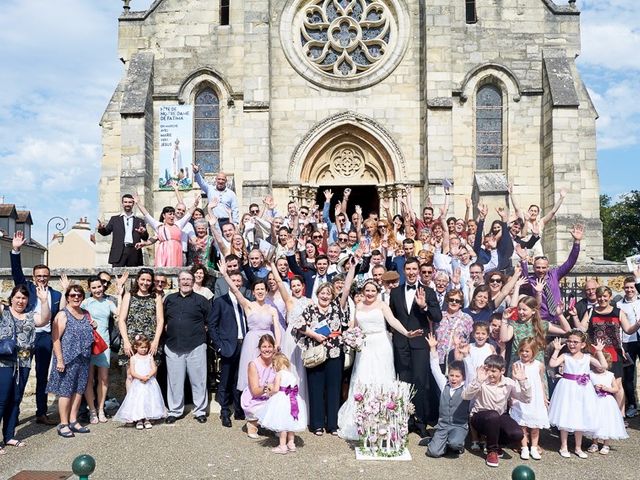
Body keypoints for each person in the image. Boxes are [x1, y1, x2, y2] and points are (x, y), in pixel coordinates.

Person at [337, 279, 422, 440]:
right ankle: (361, 419)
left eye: (372, 291)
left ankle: (383, 418)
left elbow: (393, 321)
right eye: (367, 291)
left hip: (381, 344)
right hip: (365, 346)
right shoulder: (359, 306)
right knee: (363, 378)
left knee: (381, 377)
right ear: (363, 292)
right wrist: (348, 336)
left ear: (377, 292)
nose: (369, 294)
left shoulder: (382, 305)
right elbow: (355, 326)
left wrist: (407, 333)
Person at [293, 259, 355, 436]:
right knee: (316, 388)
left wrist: (352, 268)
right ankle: (317, 424)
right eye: (323, 293)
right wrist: (314, 335)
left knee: (334, 389)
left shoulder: (337, 308)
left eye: (329, 293)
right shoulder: (310, 309)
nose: (326, 296)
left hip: (335, 353)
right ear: (318, 294)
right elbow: (297, 325)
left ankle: (332, 425)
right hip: (316, 353)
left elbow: (347, 288)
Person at [10, 230, 62, 425]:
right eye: (39, 275)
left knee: (42, 376)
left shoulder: (56, 295)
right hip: (26, 338)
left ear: (49, 277)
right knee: (20, 376)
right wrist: (15, 250)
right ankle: (13, 415)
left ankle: (41, 412)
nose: (42, 278)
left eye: (45, 276)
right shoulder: (27, 290)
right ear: (34, 277)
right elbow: (16, 273)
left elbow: (60, 317)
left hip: (45, 339)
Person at [388, 257, 441, 436]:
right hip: (401, 344)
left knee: (420, 382)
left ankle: (420, 422)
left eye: (414, 269)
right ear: (404, 271)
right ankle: (404, 421)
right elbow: (392, 319)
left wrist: (424, 306)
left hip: (420, 345)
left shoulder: (428, 291)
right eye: (408, 269)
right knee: (403, 383)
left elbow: (437, 316)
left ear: (419, 271)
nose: (411, 272)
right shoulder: (395, 293)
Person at [217, 259, 281, 392]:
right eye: (257, 289)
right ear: (253, 292)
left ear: (266, 290)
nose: (260, 291)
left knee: (267, 372)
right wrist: (225, 275)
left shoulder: (272, 309)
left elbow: (277, 329)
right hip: (252, 342)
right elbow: (235, 290)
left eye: (262, 289)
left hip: (268, 341)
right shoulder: (248, 305)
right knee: (252, 372)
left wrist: (277, 344)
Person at [576, 285, 640, 415]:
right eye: (599, 296)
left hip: (614, 353)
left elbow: (628, 330)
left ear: (610, 297)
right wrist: (574, 317)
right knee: (594, 383)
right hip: (596, 353)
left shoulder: (618, 312)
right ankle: (596, 414)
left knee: (617, 384)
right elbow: (582, 328)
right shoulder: (591, 311)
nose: (602, 299)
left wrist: (638, 324)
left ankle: (620, 415)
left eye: (605, 296)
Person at [0, 285, 50, 451]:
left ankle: (9, 436)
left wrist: (43, 301)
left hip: (23, 363)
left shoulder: (30, 316)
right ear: (11, 298)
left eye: (24, 298)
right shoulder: (3, 312)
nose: (20, 301)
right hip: (4, 362)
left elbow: (44, 320)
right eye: (17, 297)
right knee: (1, 400)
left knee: (15, 399)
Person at [462, 355, 531, 467]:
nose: (490, 374)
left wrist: (523, 381)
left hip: (498, 416)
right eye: (488, 370)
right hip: (479, 417)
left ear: (502, 371)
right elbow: (465, 396)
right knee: (493, 416)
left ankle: (496, 443)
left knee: (517, 434)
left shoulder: (508, 383)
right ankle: (492, 451)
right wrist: (478, 381)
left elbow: (526, 399)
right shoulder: (482, 380)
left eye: (493, 371)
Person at [548, 330, 607, 458]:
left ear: (583, 344)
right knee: (565, 413)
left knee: (580, 415)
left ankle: (578, 447)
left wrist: (600, 352)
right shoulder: (566, 356)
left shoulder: (587, 358)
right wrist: (557, 350)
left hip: (583, 390)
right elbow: (552, 364)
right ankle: (563, 446)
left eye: (575, 342)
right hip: (567, 388)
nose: (572, 344)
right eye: (569, 341)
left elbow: (603, 366)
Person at [163, 271, 212, 424]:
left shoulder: (202, 300)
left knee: (199, 380)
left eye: (188, 279)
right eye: (183, 279)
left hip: (196, 345)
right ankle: (175, 411)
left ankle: (200, 411)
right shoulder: (169, 300)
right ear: (178, 281)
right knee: (175, 381)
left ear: (193, 282)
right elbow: (162, 321)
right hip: (173, 345)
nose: (185, 282)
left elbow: (209, 321)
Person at [47, 285, 95, 438]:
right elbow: (55, 339)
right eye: (73, 295)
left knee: (79, 390)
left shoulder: (86, 313)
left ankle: (73, 420)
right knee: (65, 391)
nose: (76, 297)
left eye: (79, 295)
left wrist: (94, 325)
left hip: (83, 358)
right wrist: (60, 360)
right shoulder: (62, 315)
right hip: (67, 359)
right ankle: (64, 423)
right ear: (67, 297)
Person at [517, 223, 584, 323]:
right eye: (538, 267)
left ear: (548, 267)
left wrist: (577, 242)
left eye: (543, 267)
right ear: (534, 268)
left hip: (557, 318)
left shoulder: (555, 274)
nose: (541, 270)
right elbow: (524, 277)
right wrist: (523, 261)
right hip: (540, 320)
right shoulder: (531, 280)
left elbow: (570, 262)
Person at [208, 270, 249, 427]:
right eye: (234, 280)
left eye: (239, 281)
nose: (237, 283)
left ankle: (239, 410)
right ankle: (224, 412)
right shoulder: (220, 301)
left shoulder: (245, 301)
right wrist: (219, 346)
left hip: (244, 345)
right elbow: (212, 325)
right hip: (228, 346)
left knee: (240, 379)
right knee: (225, 380)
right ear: (228, 282)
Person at [424, 333, 469, 458]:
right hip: (443, 426)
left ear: (463, 377)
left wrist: (465, 355)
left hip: (459, 426)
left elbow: (470, 373)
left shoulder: (466, 387)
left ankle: (457, 443)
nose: (453, 379)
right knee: (433, 452)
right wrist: (432, 348)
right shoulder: (445, 384)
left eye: (457, 376)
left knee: (455, 444)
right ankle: (438, 442)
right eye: (451, 375)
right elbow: (435, 369)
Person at [82, 276, 119, 424]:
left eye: (99, 286)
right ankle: (92, 410)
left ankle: (101, 408)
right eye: (94, 287)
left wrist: (120, 293)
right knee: (89, 379)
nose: (97, 290)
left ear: (103, 287)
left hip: (104, 345)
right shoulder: (86, 302)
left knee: (103, 379)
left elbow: (120, 315)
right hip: (90, 344)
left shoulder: (108, 303)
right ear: (89, 289)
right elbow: (75, 315)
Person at [256, 353, 307, 454]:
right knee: (290, 423)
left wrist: (269, 392)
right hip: (293, 400)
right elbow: (295, 388)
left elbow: (276, 389)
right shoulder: (292, 374)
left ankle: (282, 446)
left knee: (282, 424)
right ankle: (291, 444)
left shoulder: (279, 374)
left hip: (282, 400)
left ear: (276, 364)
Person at [113, 334, 167, 429]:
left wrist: (148, 376)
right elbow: (132, 372)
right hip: (138, 382)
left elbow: (154, 368)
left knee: (148, 399)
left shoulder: (150, 357)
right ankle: (139, 419)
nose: (144, 349)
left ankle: (147, 418)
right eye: (141, 347)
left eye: (146, 347)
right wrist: (140, 377)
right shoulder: (133, 358)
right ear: (136, 347)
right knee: (138, 400)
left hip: (149, 381)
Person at [508, 338, 549, 460]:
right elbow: (513, 382)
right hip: (521, 398)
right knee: (522, 426)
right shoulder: (516, 365)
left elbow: (541, 382)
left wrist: (544, 397)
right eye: (522, 351)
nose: (524, 353)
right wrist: (512, 398)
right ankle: (524, 447)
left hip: (535, 399)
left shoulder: (539, 365)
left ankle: (534, 447)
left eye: (527, 351)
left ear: (534, 352)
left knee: (535, 426)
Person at [118, 269, 164, 377]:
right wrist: (126, 342)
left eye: (148, 280)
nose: (145, 283)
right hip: (131, 341)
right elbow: (121, 320)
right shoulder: (129, 296)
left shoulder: (156, 297)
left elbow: (160, 320)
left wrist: (156, 342)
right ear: (138, 280)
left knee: (151, 375)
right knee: (131, 376)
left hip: (150, 342)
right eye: (143, 279)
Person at [134, 192, 199, 267]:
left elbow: (189, 214)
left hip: (176, 252)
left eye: (173, 214)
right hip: (163, 252)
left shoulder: (179, 225)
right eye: (169, 214)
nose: (172, 216)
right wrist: (138, 203)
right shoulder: (158, 226)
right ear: (164, 215)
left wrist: (195, 204)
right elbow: (147, 215)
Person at [587, 352, 628, 455]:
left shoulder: (610, 375)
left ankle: (606, 444)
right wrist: (594, 387)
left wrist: (607, 388)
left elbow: (616, 389)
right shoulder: (590, 374)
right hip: (595, 400)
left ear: (608, 364)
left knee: (607, 421)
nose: (600, 367)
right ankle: (594, 442)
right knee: (595, 420)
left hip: (607, 402)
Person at [240, 334, 277, 438]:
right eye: (264, 347)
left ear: (274, 348)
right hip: (255, 397)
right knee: (262, 409)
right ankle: (252, 423)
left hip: (271, 395)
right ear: (259, 348)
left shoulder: (276, 363)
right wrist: (267, 387)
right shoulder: (253, 364)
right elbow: (255, 391)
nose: (267, 349)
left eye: (270, 346)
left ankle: (274, 425)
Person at [97, 193, 149, 267]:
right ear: (122, 203)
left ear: (133, 204)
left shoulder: (139, 221)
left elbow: (145, 238)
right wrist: (101, 228)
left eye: (130, 202)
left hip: (134, 252)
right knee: (117, 277)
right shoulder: (114, 219)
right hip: (118, 252)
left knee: (133, 277)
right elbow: (106, 232)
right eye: (125, 202)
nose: (127, 204)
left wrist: (143, 232)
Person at [617, 276, 640, 418]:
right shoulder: (619, 305)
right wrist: (621, 345)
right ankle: (632, 404)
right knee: (628, 376)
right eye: (627, 287)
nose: (629, 290)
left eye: (632, 287)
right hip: (628, 341)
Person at [434, 289, 473, 369]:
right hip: (439, 360)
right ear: (447, 301)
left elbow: (470, 339)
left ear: (461, 304)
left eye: (457, 301)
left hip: (457, 359)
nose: (454, 302)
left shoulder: (467, 318)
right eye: (451, 300)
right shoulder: (439, 316)